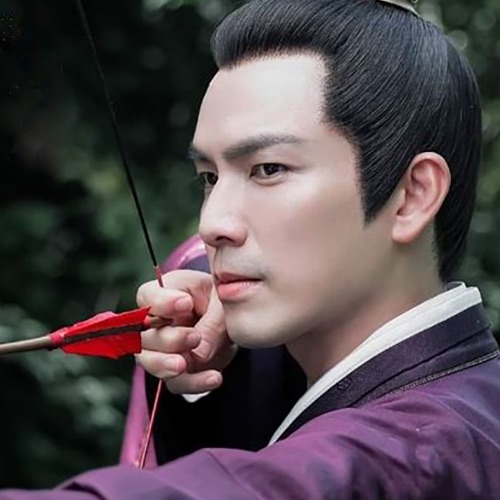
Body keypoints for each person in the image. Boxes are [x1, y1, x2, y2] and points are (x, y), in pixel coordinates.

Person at [3, 0, 500, 497]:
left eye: (268, 169)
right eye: (209, 177)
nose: (211, 225)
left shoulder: (413, 459)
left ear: (412, 196)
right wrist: (224, 374)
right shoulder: (461, 403)